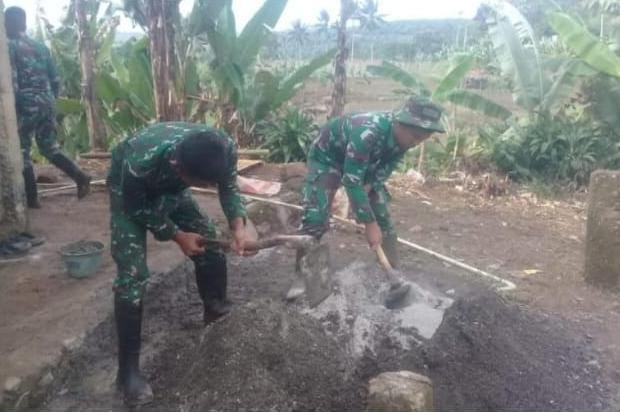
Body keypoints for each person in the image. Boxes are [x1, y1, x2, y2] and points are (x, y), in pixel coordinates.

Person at [107, 122, 254, 406]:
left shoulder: (222, 149)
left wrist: (238, 226)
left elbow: (228, 186)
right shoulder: (140, 159)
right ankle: (127, 374)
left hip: (172, 188)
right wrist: (177, 235)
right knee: (132, 275)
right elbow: (136, 207)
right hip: (129, 192)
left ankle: (216, 311)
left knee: (209, 239)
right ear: (179, 166)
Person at [287, 97, 445, 300]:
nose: (416, 143)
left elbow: (380, 173)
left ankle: (392, 275)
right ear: (399, 122)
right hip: (328, 158)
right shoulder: (368, 130)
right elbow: (351, 180)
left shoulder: (405, 140)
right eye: (415, 136)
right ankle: (302, 279)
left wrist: (365, 204)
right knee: (315, 219)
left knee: (383, 219)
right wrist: (368, 223)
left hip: (365, 164)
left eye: (422, 138)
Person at [5, 6, 91, 209]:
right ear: (24, 23)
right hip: (47, 102)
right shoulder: (40, 47)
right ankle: (80, 176)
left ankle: (32, 199)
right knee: (48, 146)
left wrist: (16, 108)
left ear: (8, 23)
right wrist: (49, 100)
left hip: (26, 104)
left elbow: (13, 82)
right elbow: (55, 80)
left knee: (22, 150)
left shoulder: (9, 47)